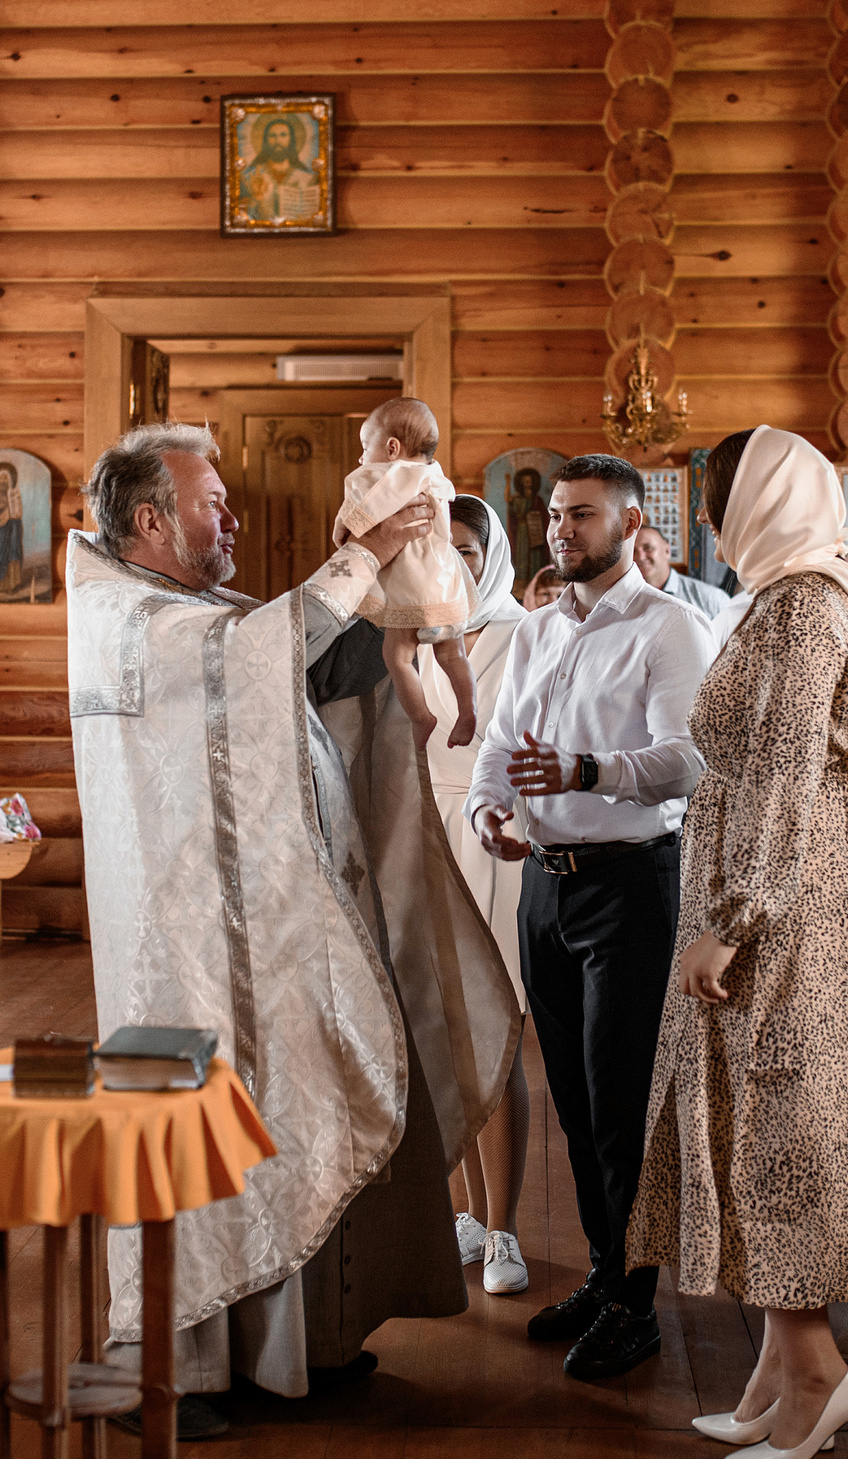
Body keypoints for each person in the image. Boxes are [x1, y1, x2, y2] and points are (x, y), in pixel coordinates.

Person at [67, 423, 518, 1436]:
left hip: (260, 923)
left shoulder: (198, 607)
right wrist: (361, 554)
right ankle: (172, 1369)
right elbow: (248, 656)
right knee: (195, 1132)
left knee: (294, 1110)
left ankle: (302, 1346)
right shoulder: (129, 620)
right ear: (150, 519)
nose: (228, 513)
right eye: (209, 499)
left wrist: (403, 583)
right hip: (180, 950)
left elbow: (299, 663)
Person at [629, 425, 848, 1459]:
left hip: (784, 895)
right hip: (780, 876)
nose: (707, 520)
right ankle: (771, 1371)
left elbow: (792, 772)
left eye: (717, 497)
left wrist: (729, 922)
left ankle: (817, 1382)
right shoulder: (793, 596)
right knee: (750, 1112)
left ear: (759, 502)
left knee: (779, 1128)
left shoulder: (803, 608)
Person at [467, 454, 715, 1380]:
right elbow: (499, 745)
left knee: (621, 1105)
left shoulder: (668, 627)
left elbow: (687, 760)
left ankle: (638, 1305)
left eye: (579, 516)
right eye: (554, 517)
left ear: (625, 520)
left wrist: (587, 773)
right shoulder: (534, 630)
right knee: (572, 1098)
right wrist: (487, 809)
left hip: (631, 885)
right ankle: (608, 1273)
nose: (559, 530)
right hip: (545, 884)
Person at [423, 496, 534, 1298]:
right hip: (428, 827)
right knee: (449, 1040)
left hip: (494, 835)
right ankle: (465, 1211)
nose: (455, 560)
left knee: (496, 1039)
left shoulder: (524, 633)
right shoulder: (417, 630)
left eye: (468, 546)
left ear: (491, 554)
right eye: (443, 546)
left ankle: (506, 1226)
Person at [335, 396, 476, 747]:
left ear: (392, 448)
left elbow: (368, 507)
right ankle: (468, 709)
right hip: (445, 575)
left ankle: (422, 718)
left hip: (412, 579)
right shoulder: (435, 475)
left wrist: (344, 528)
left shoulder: (385, 475)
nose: (361, 457)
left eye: (366, 446)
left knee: (397, 657)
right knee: (451, 653)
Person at [632, 524, 730, 620]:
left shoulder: (713, 599)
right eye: (633, 551)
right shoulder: (621, 601)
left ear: (667, 550)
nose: (640, 557)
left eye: (648, 548)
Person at [0, 461, 26, 596]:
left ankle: (12, 585)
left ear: (10, 481)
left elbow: (18, 513)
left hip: (13, 529)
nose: (3, 481)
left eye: (6, 478)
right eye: (0, 479)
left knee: (13, 554)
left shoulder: (13, 495)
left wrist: (13, 508)